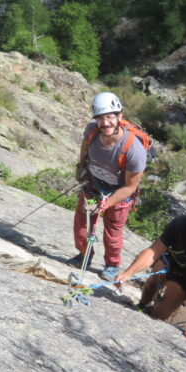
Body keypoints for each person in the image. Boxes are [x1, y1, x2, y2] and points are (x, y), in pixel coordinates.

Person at [115, 195, 186, 347]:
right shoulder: (180, 224)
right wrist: (128, 273)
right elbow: (153, 251)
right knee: (151, 284)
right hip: (170, 262)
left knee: (158, 316)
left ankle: (155, 309)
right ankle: (143, 305)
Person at [73, 92, 148, 281]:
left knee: (113, 232)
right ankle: (84, 254)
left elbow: (130, 186)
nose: (105, 123)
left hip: (119, 193)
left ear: (119, 116)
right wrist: (81, 166)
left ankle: (112, 265)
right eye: (100, 118)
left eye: (109, 117)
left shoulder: (133, 150)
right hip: (93, 186)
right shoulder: (92, 130)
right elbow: (84, 146)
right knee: (82, 224)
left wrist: (107, 203)